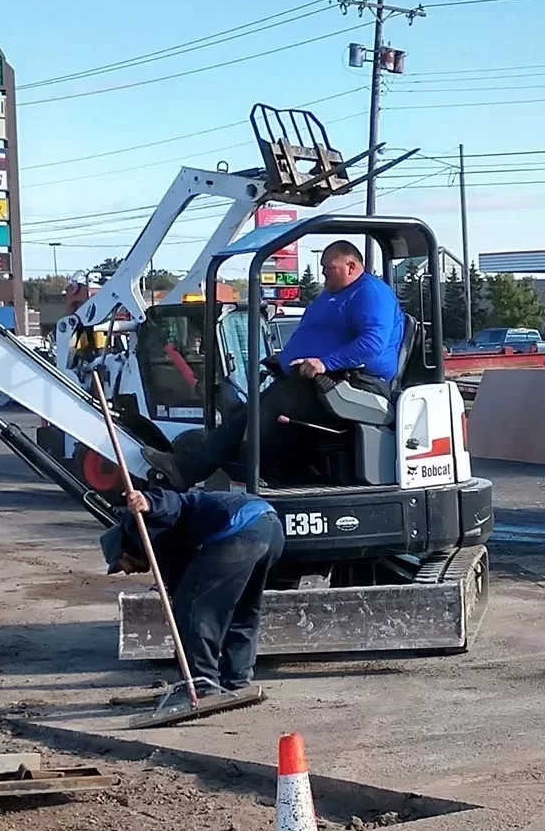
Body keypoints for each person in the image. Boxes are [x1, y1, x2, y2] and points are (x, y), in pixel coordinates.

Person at [178, 240, 407, 486]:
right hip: (323, 379)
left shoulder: (370, 293)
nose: (322, 272)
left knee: (272, 410)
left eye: (328, 267)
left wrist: (324, 363)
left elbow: (372, 344)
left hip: (359, 382)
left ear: (350, 266)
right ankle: (197, 468)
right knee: (247, 409)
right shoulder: (334, 295)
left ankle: (258, 477)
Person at [99, 483, 284, 696]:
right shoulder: (167, 546)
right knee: (241, 611)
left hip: (238, 528)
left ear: (126, 548)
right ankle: (237, 681)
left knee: (194, 609)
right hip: (269, 527)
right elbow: (181, 586)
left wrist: (148, 502)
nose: (126, 571)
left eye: (121, 564)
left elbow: (173, 501)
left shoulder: (140, 524)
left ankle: (203, 686)